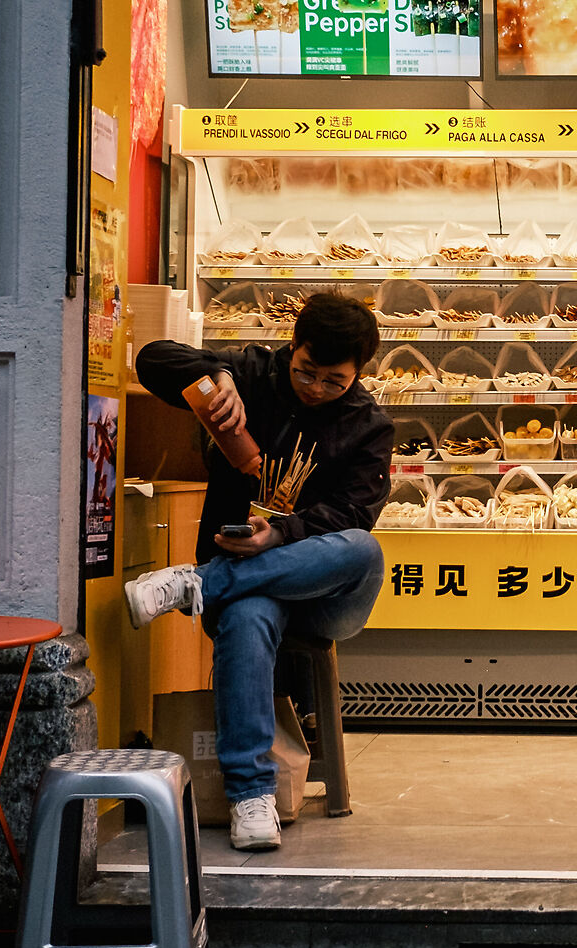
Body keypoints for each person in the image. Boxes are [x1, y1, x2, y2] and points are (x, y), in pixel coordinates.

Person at [124, 292, 390, 851]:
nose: (315, 388)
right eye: (306, 371)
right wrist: (215, 376)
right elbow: (151, 359)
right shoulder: (252, 374)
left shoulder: (368, 426)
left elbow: (352, 513)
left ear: (358, 374)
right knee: (247, 614)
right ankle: (251, 796)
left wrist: (280, 535)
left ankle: (195, 583)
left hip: (320, 597)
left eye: (334, 381)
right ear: (293, 347)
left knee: (363, 549)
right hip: (248, 590)